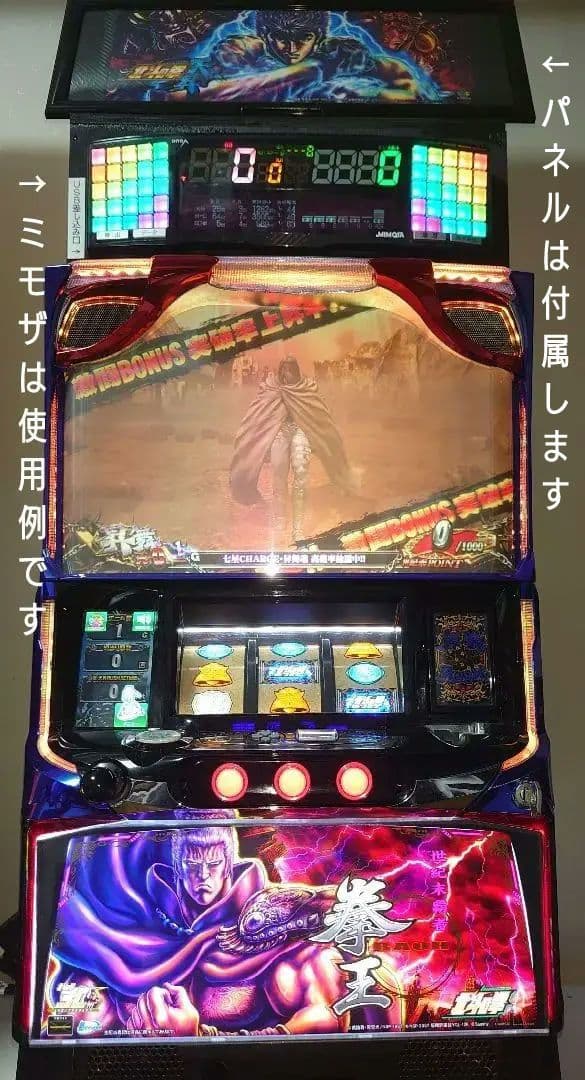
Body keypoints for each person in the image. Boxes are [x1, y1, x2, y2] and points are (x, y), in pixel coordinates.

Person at [43, 815, 350, 1038]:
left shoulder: (271, 924)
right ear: (178, 866)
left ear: (228, 864)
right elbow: (64, 1034)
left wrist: (204, 1036)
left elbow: (324, 1017)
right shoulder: (132, 929)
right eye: (193, 865)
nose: (203, 876)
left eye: (213, 864)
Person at [229, 357, 352, 543]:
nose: (286, 373)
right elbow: (258, 412)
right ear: (280, 370)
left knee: (300, 475)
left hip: (301, 431)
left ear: (296, 370)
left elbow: (318, 412)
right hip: (278, 433)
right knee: (279, 476)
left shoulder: (306, 387)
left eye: (290, 369)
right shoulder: (271, 386)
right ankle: (280, 518)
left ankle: (297, 527)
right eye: (284, 369)